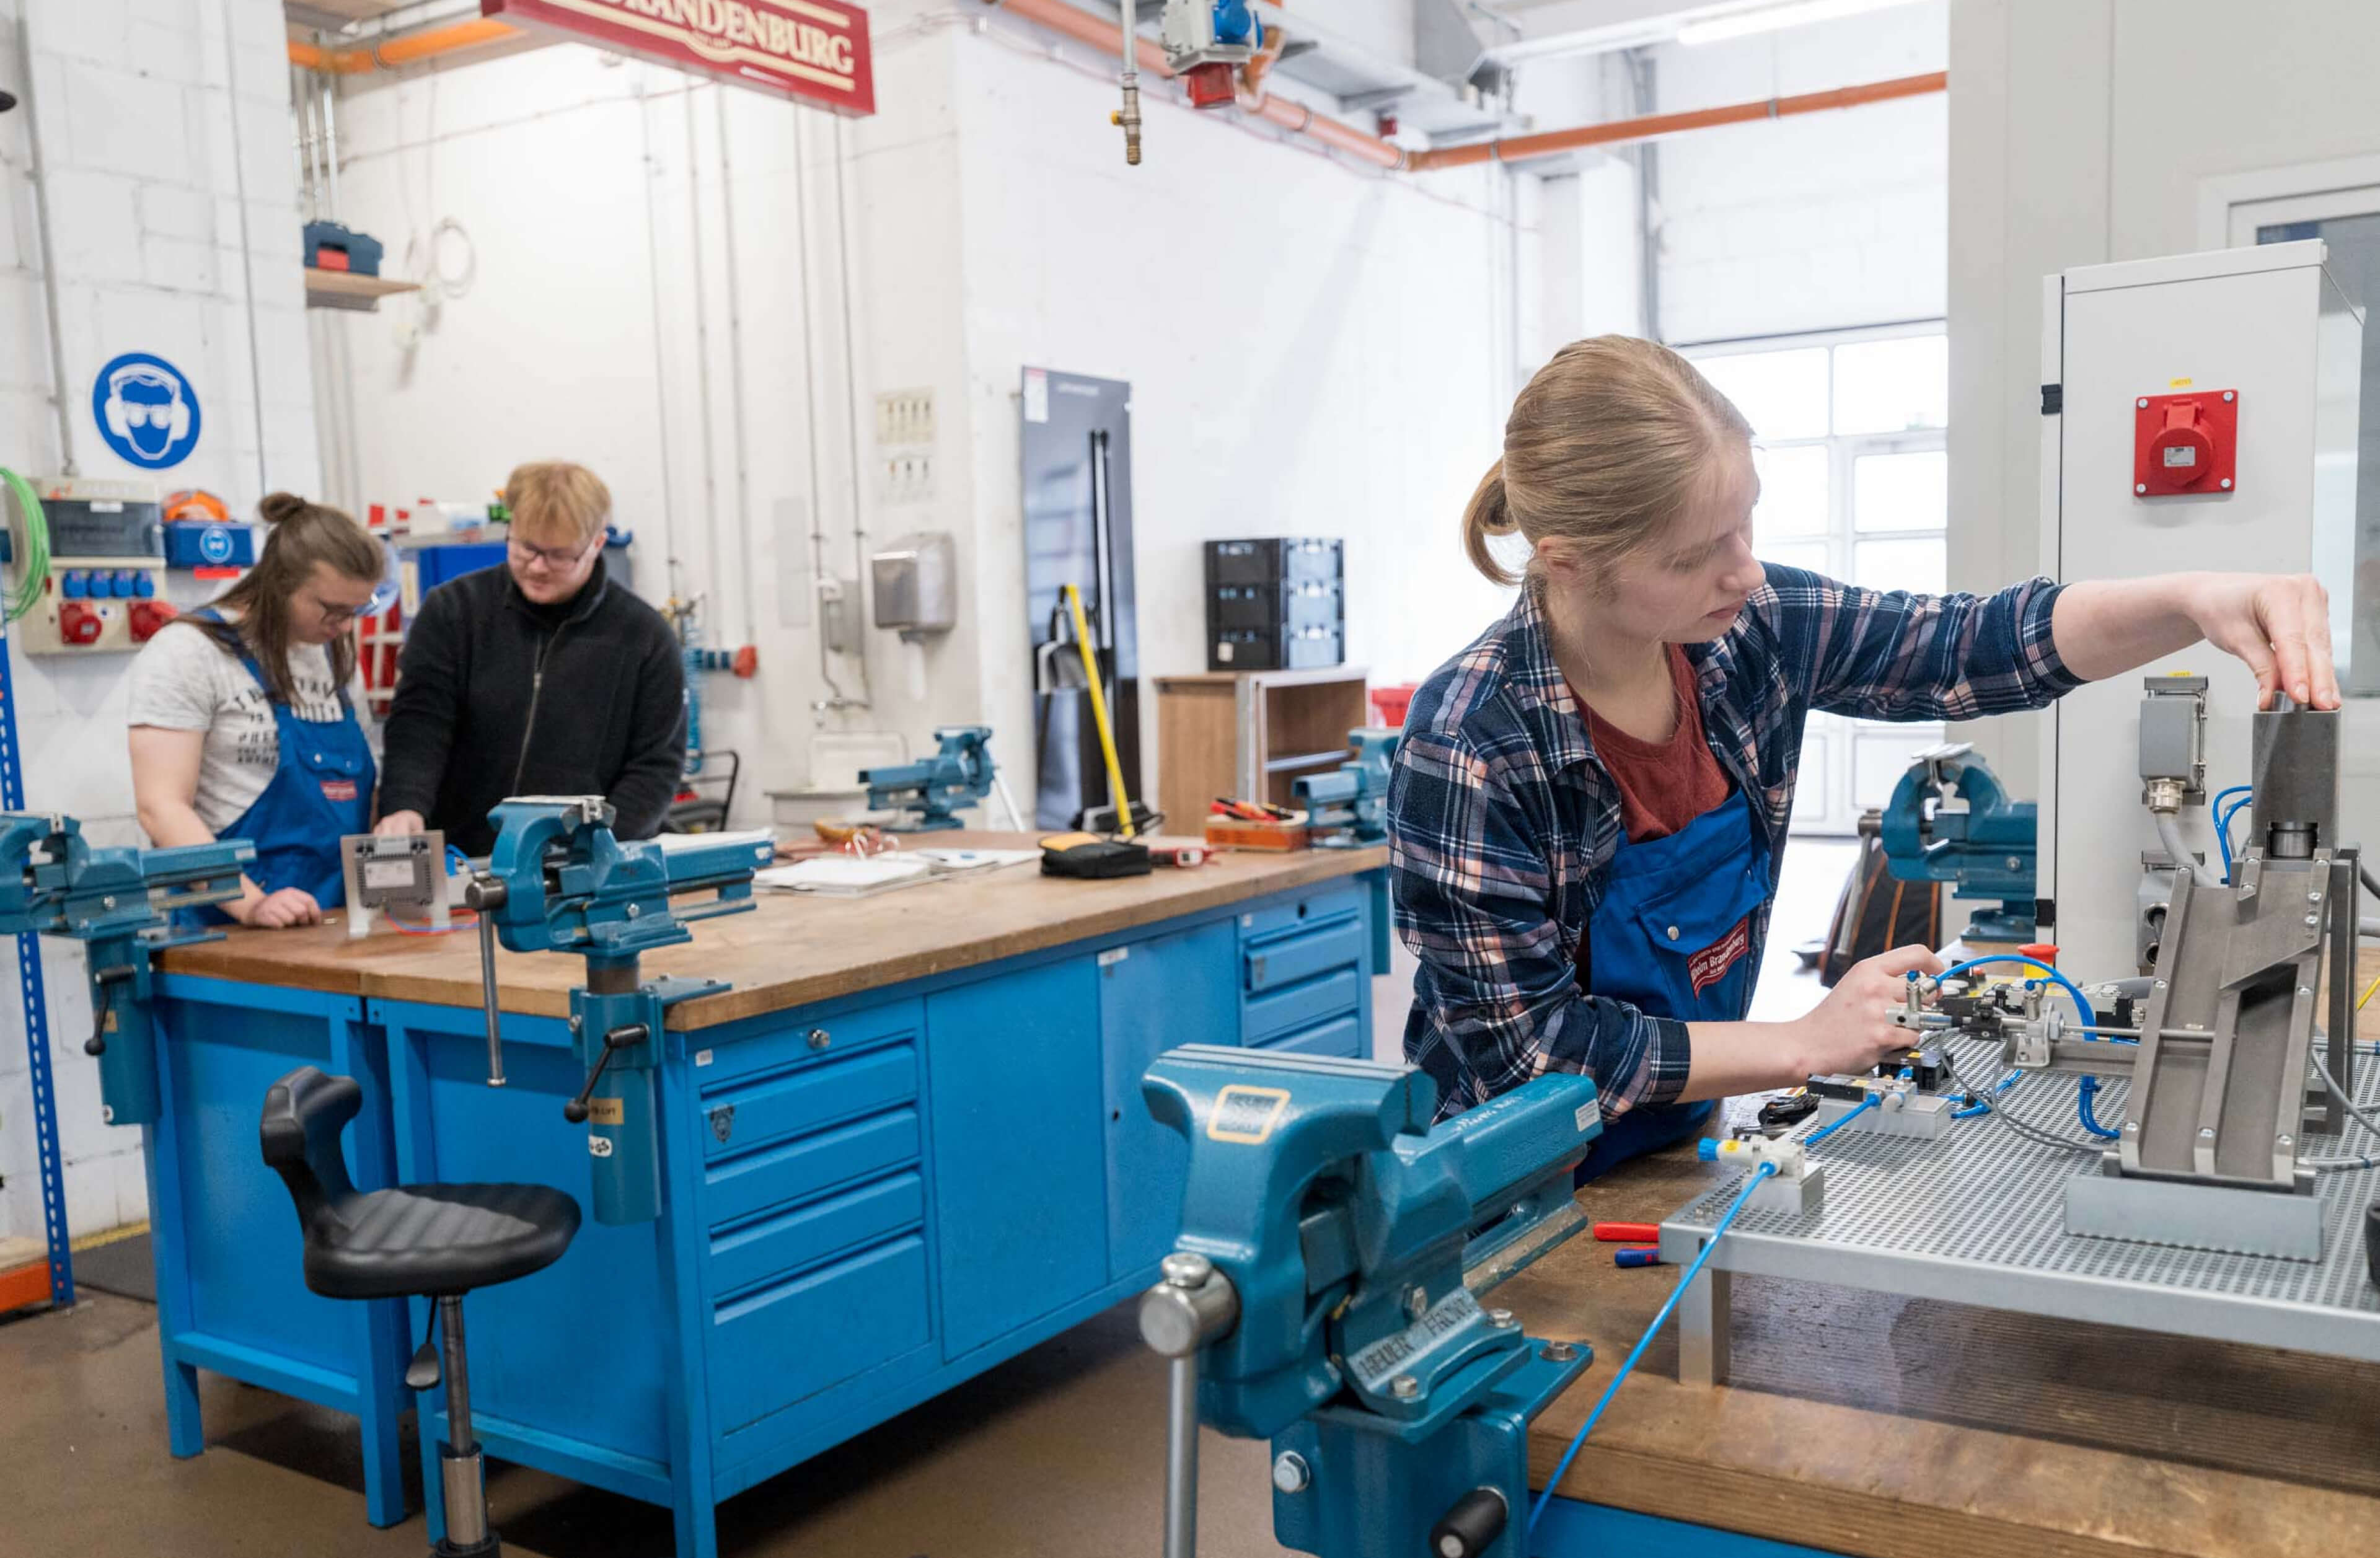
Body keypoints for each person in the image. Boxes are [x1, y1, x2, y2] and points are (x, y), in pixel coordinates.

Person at [1390, 336, 2337, 1179]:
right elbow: (1539, 1053)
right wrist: (1803, 1042)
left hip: (1676, 1149)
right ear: (1566, 561)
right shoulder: (1475, 740)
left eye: (1746, 523)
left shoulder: (1748, 631)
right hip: (1510, 1193)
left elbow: (1972, 645)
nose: (1747, 569)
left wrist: (2192, 597)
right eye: (1695, 555)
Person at [375, 461, 684, 856]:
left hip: (582, 870)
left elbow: (655, 767)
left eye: (558, 555)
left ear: (596, 543)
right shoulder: (454, 612)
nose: (537, 567)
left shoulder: (644, 638)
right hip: (460, 859)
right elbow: (419, 726)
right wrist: (405, 805)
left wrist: (598, 851)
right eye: (526, 548)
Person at [128, 493, 387, 928]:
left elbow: (366, 792)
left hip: (333, 918)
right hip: (228, 926)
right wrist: (252, 904)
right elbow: (161, 807)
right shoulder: (191, 652)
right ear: (281, 583)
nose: (345, 627)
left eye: (357, 611)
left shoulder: (332, 654)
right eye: (332, 609)